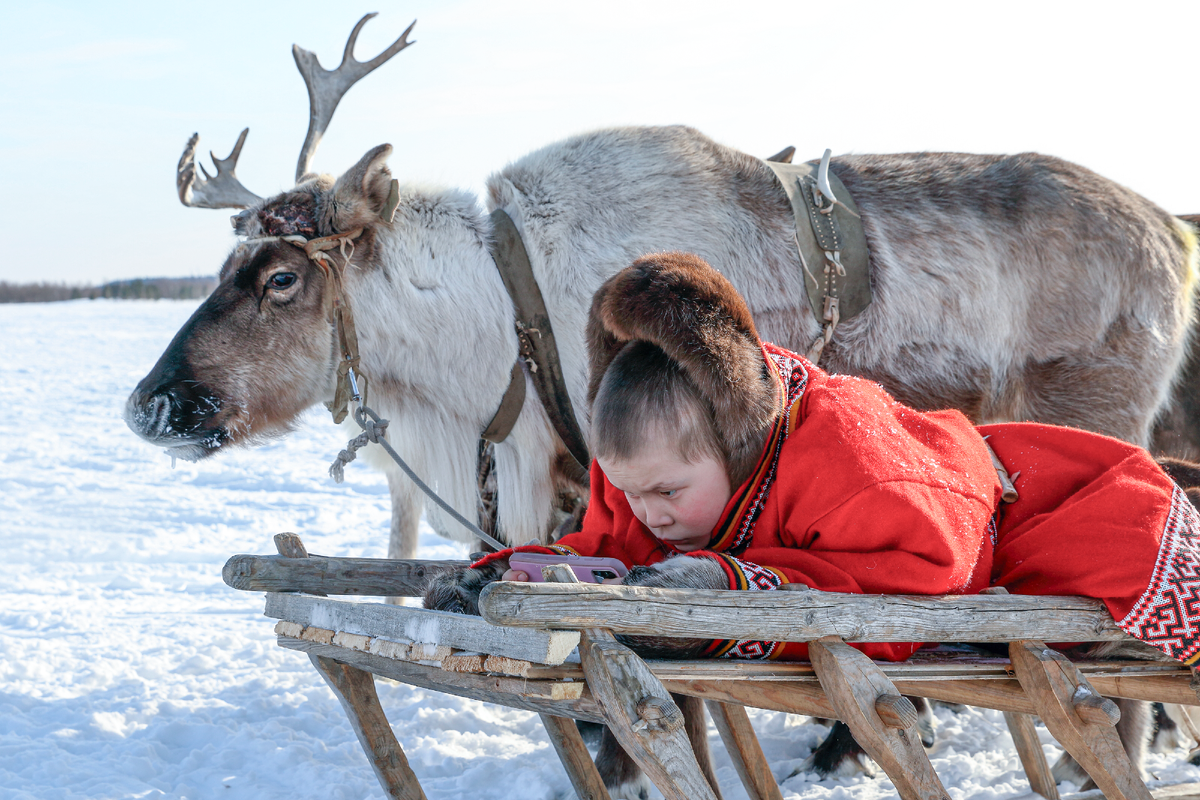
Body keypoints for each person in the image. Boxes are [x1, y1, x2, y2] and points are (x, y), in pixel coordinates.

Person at [425, 251, 1200, 665]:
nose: (647, 514)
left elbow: (921, 581)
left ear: (734, 441)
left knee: (1126, 542)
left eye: (665, 491)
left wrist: (728, 586)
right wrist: (515, 573)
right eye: (630, 492)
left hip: (1011, 501)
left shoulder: (856, 470)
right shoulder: (646, 474)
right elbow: (607, 547)